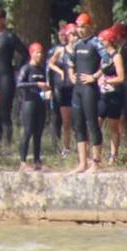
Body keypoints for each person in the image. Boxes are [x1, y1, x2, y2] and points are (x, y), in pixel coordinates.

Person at [66, 13, 105, 174]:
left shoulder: (96, 42)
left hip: (89, 88)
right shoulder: (77, 44)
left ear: (90, 26)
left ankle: (96, 162)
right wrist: (70, 74)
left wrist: (94, 76)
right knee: (78, 125)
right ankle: (82, 162)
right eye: (78, 27)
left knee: (92, 123)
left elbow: (109, 61)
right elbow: (70, 61)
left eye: (83, 26)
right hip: (78, 90)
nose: (80, 30)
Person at [0, 8, 24, 146]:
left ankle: (7, 144)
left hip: (6, 79)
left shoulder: (9, 36)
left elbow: (24, 53)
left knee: (4, 112)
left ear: (2, 20)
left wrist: (17, 68)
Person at [15, 42, 50, 171]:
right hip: (28, 103)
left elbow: (46, 84)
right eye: (37, 52)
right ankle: (23, 162)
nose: (40, 55)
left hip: (40, 103)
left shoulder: (42, 69)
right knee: (28, 131)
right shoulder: (26, 68)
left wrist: (47, 90)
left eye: (41, 52)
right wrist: (36, 84)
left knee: (38, 133)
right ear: (31, 53)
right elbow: (19, 84)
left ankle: (37, 161)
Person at [96, 27, 127, 164]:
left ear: (109, 41)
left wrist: (108, 80)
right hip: (103, 95)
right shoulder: (103, 58)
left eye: (102, 40)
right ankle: (97, 154)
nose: (100, 42)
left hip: (114, 94)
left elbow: (121, 77)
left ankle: (113, 155)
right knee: (97, 123)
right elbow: (99, 73)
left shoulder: (117, 57)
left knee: (113, 126)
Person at [48, 23, 76, 156]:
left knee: (81, 121)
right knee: (66, 122)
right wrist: (60, 71)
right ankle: (66, 148)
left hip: (78, 88)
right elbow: (50, 63)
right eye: (71, 35)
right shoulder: (61, 50)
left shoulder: (81, 49)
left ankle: (84, 147)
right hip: (65, 88)